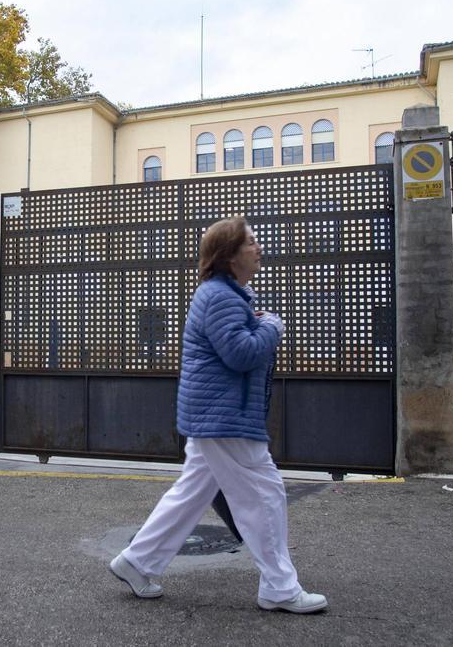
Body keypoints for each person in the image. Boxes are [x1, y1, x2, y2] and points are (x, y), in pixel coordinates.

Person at [109, 216, 327, 614]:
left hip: (216, 413)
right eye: (251, 243)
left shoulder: (226, 295)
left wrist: (258, 324)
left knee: (191, 495)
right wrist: (274, 327)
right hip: (225, 416)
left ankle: (137, 562)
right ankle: (280, 587)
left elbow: (235, 344)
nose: (258, 248)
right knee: (265, 495)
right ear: (229, 256)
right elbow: (241, 354)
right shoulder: (222, 296)